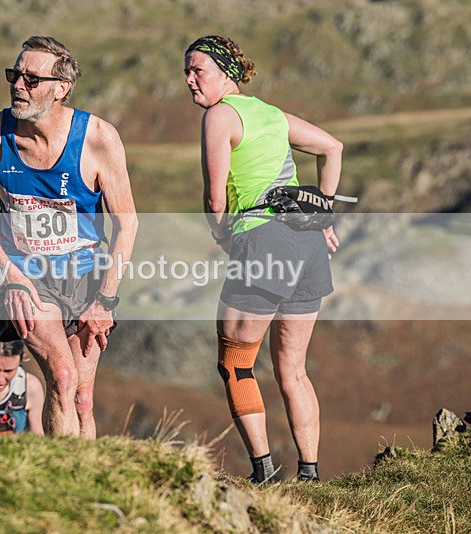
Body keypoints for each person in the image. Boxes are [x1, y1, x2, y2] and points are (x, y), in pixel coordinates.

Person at [0, 36, 138, 438]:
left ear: (61, 89)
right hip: (27, 277)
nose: (18, 86)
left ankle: (87, 487)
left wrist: (106, 299)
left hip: (88, 275)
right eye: (14, 75)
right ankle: (65, 477)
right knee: (62, 374)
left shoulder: (98, 138)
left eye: (31, 79)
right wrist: (11, 276)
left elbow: (128, 224)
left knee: (83, 396)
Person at [184, 36, 343, 482]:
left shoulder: (220, 116)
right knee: (293, 369)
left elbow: (215, 198)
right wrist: (323, 214)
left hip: (262, 240)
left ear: (226, 73)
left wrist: (222, 236)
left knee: (236, 361)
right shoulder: (271, 114)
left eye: (199, 70)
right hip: (308, 246)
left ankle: (265, 472)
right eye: (186, 71)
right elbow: (333, 148)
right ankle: (310, 474)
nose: (189, 80)